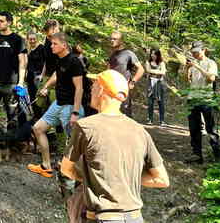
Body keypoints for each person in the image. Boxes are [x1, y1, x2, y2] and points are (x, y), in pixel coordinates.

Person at [60, 69, 170, 223]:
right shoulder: (140, 131)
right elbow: (162, 179)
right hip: (135, 218)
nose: (91, 89)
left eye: (94, 85)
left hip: (103, 218)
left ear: (102, 90)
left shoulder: (86, 127)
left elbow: (66, 168)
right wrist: (122, 178)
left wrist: (94, 179)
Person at [27, 32, 84, 178]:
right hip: (58, 103)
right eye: (51, 43)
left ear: (64, 45)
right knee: (38, 128)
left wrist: (75, 112)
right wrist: (46, 87)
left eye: (54, 44)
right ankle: (46, 165)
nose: (51, 46)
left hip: (70, 107)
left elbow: (79, 88)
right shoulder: (60, 59)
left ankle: (78, 177)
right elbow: (56, 75)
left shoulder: (74, 61)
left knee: (73, 143)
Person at [184, 41, 220, 164]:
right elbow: (188, 81)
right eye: (193, 52)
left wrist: (197, 66)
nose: (194, 54)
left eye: (196, 52)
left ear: (204, 50)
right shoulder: (194, 63)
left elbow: (211, 79)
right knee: (194, 128)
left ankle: (217, 154)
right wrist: (187, 69)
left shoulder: (211, 63)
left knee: (210, 128)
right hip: (193, 98)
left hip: (206, 99)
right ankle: (196, 154)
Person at [108, 31, 144, 117]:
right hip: (112, 88)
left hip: (123, 89)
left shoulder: (128, 53)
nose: (112, 41)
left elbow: (141, 69)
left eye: (115, 39)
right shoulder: (112, 55)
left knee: (124, 114)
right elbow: (108, 70)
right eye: (111, 39)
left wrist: (133, 82)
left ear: (121, 41)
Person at [25, 32, 46, 117]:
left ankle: (42, 117)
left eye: (34, 39)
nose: (32, 41)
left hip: (38, 76)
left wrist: (42, 74)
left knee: (39, 98)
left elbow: (46, 62)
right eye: (30, 39)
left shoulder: (41, 48)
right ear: (28, 40)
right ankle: (36, 117)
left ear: (36, 39)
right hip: (30, 77)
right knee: (32, 96)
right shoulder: (28, 50)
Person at [73, 42, 96, 117]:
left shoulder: (81, 59)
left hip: (83, 83)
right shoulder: (81, 59)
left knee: (84, 102)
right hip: (83, 83)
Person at [144, 48, 167, 125]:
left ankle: (162, 120)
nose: (152, 55)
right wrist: (158, 72)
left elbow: (163, 72)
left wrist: (153, 72)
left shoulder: (161, 63)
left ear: (158, 55)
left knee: (161, 102)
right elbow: (147, 70)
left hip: (159, 83)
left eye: (154, 54)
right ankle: (150, 119)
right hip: (151, 83)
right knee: (150, 102)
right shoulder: (148, 62)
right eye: (151, 53)